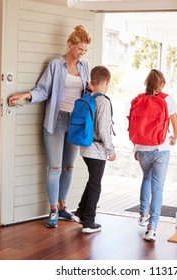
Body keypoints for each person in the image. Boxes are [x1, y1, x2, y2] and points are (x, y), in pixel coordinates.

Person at [7, 25, 92, 228]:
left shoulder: (84, 67)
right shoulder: (55, 65)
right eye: (80, 49)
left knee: (69, 167)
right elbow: (43, 90)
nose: (82, 54)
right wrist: (25, 95)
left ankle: (63, 207)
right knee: (55, 167)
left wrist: (91, 90)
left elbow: (86, 93)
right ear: (70, 45)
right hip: (56, 121)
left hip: (76, 123)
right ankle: (53, 209)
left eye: (85, 51)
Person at [134, 69, 177, 242]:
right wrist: (174, 138)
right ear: (162, 84)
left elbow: (135, 125)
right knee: (158, 187)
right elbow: (176, 128)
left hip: (142, 148)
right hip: (161, 149)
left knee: (146, 177)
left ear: (147, 83)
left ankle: (142, 214)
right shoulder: (167, 99)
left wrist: (137, 147)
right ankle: (152, 228)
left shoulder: (139, 99)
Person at [75, 66, 116, 234]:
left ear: (92, 82)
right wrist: (111, 151)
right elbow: (104, 130)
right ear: (107, 82)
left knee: (92, 181)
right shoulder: (104, 102)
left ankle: (80, 212)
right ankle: (89, 222)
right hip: (97, 150)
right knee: (95, 184)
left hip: (85, 147)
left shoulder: (88, 98)